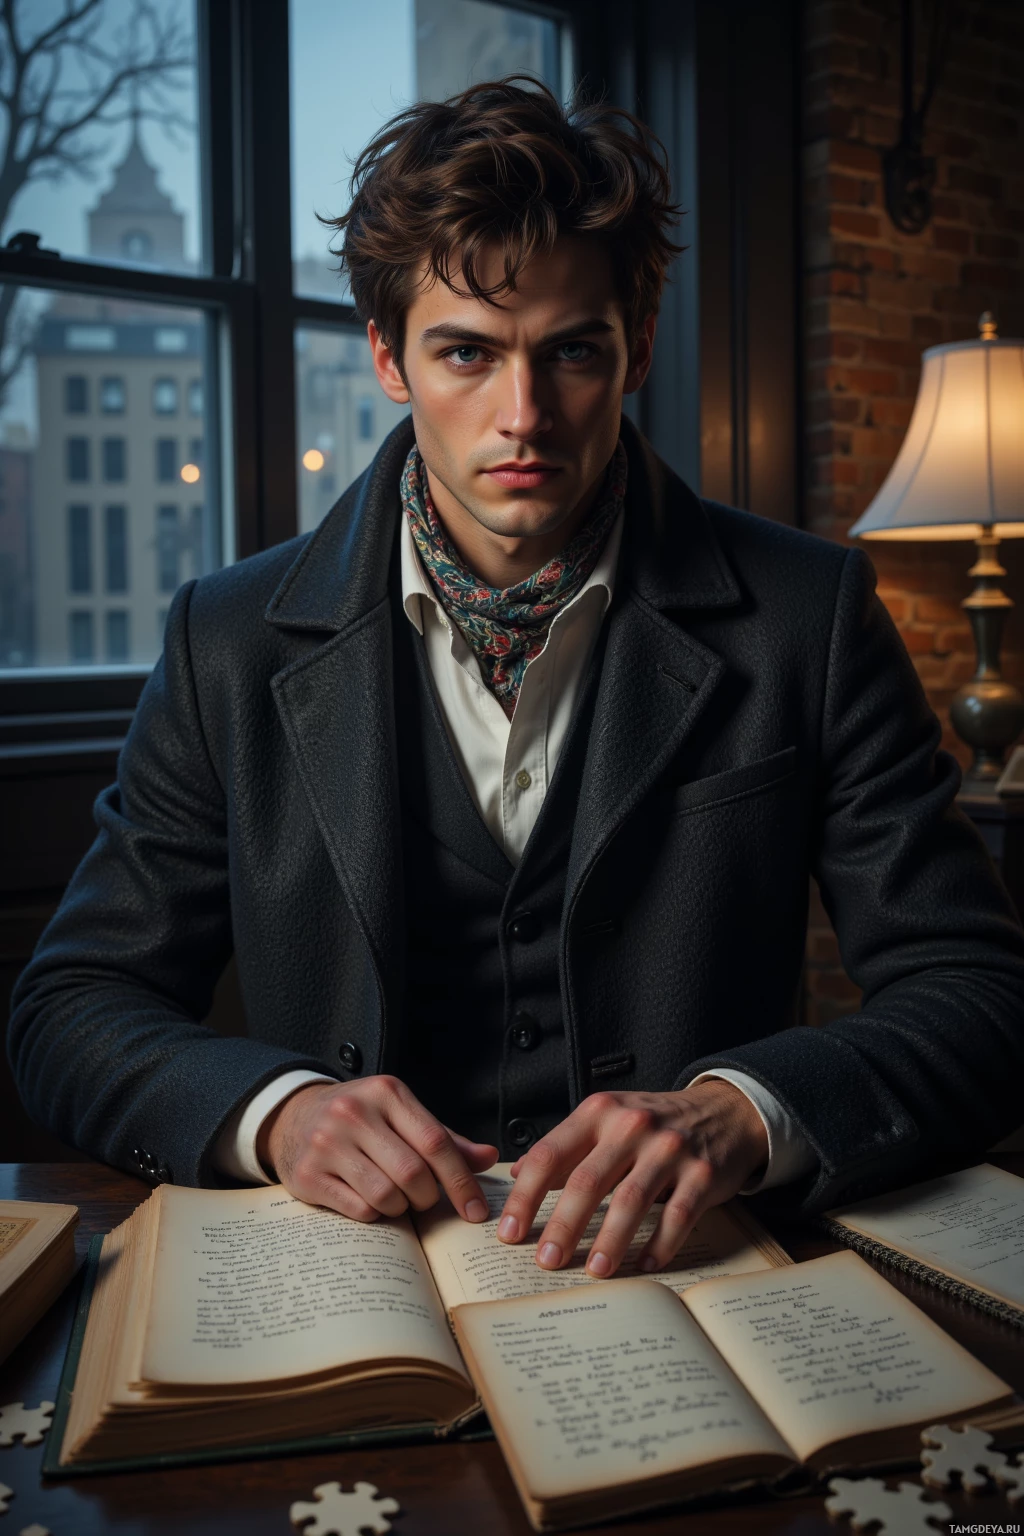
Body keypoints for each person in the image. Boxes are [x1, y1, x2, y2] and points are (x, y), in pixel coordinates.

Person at [9, 80, 1024, 1284]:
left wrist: (744, 1110)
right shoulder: (224, 639)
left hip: (689, 1276)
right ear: (389, 357)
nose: (523, 414)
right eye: (465, 354)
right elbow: (70, 1007)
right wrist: (278, 1112)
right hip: (349, 1295)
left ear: (636, 347)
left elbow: (979, 991)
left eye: (572, 353)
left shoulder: (809, 615)